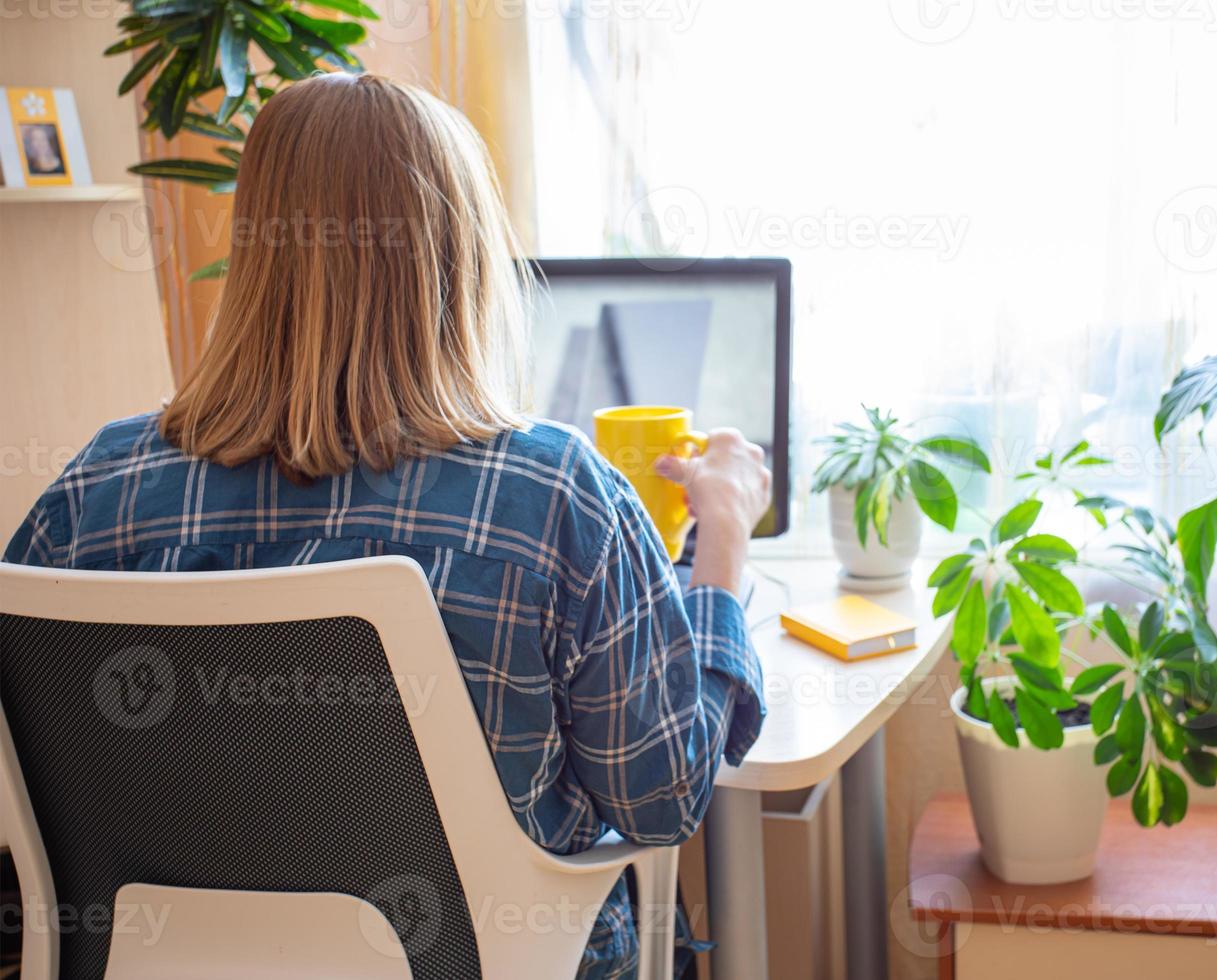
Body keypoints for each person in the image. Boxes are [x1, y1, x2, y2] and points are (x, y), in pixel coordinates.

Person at [2, 72, 769, 979]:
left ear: (259, 254)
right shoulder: (553, 495)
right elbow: (663, 798)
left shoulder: (102, 487)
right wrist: (719, 540)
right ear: (465, 259)